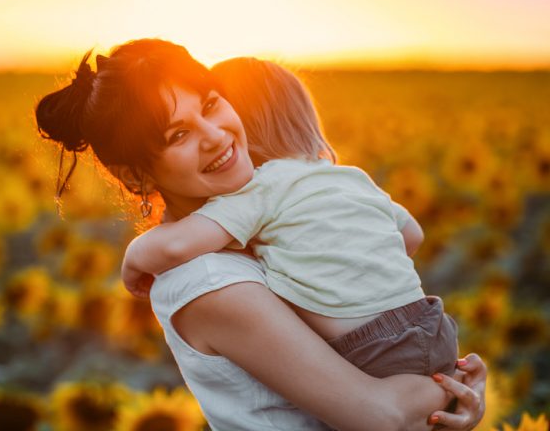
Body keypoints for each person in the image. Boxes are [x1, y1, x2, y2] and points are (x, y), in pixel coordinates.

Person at [35, 39, 486, 430]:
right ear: (135, 176)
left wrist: (452, 396)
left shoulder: (265, 230)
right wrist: (454, 389)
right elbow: (382, 419)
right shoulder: (209, 282)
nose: (215, 136)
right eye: (178, 134)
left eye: (210, 103)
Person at [121, 56, 458, 380]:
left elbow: (179, 243)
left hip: (375, 349)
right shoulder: (350, 177)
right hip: (433, 324)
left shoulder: (261, 189)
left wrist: (135, 256)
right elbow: (412, 235)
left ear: (245, 131)